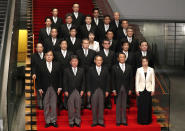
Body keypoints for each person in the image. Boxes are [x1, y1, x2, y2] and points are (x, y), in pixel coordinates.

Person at [36, 50, 62, 128]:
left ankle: (53, 121)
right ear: (45, 56)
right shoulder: (40, 65)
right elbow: (38, 78)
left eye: (50, 55)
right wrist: (39, 88)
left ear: (53, 57)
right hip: (44, 88)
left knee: (53, 105)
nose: (49, 56)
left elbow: (60, 76)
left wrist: (60, 87)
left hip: (54, 87)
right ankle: (47, 121)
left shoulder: (57, 65)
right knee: (46, 105)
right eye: (47, 55)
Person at [87, 55, 110, 127]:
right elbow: (88, 81)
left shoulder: (105, 69)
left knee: (101, 106)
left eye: (100, 60)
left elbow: (108, 81)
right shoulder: (90, 69)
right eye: (97, 60)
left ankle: (100, 121)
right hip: (93, 90)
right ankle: (94, 121)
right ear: (95, 61)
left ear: (102, 61)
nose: (99, 61)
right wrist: (88, 90)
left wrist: (107, 90)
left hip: (102, 90)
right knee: (94, 106)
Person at [63, 55, 85, 127]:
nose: (74, 62)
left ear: (78, 62)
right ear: (70, 62)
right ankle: (71, 121)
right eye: (73, 61)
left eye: (76, 61)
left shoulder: (81, 70)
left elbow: (83, 81)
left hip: (78, 91)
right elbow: (65, 81)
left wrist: (82, 90)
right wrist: (65, 90)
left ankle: (77, 121)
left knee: (78, 107)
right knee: (71, 108)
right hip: (70, 91)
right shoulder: (66, 70)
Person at [112, 52, 133, 126]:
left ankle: (124, 120)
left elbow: (131, 79)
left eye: (123, 57)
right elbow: (113, 79)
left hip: (126, 88)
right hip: (117, 88)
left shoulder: (129, 67)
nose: (122, 58)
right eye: (120, 57)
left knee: (124, 105)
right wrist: (113, 89)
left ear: (125, 58)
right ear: (118, 58)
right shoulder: (114, 67)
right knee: (118, 105)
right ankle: (118, 120)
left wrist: (130, 89)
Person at [76, 38, 96, 109]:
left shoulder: (93, 52)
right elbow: (76, 63)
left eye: (87, 43)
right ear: (82, 44)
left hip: (90, 74)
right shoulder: (78, 52)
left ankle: (89, 102)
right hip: (80, 73)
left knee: (89, 88)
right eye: (84, 43)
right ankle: (81, 103)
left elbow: (94, 64)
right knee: (81, 87)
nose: (86, 44)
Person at [135, 56, 155, 125]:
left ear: (148, 62)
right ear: (141, 62)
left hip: (149, 90)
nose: (145, 63)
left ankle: (148, 120)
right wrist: (137, 90)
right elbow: (137, 81)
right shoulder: (139, 70)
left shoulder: (151, 70)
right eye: (143, 61)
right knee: (141, 105)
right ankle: (141, 120)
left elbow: (153, 81)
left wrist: (153, 90)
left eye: (146, 61)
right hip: (141, 89)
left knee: (148, 105)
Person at [55, 40, 73, 110]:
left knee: (67, 89)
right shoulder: (56, 54)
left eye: (65, 44)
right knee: (59, 89)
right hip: (59, 74)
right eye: (63, 44)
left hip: (68, 74)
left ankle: (67, 104)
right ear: (60, 45)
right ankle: (60, 104)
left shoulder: (71, 53)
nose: (64, 45)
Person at [98, 39, 115, 109]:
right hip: (102, 73)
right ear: (102, 45)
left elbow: (114, 63)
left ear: (110, 44)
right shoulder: (99, 53)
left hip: (110, 73)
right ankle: (102, 103)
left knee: (108, 88)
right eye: (105, 43)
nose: (107, 45)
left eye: (108, 43)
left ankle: (108, 102)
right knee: (102, 87)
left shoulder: (112, 53)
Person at [31, 43, 45, 110]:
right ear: (36, 49)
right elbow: (33, 66)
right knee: (38, 90)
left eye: (40, 47)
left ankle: (45, 103)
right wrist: (33, 73)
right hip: (37, 75)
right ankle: (40, 104)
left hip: (45, 75)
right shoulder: (33, 56)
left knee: (45, 89)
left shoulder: (46, 54)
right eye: (38, 47)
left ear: (43, 48)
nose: (39, 48)